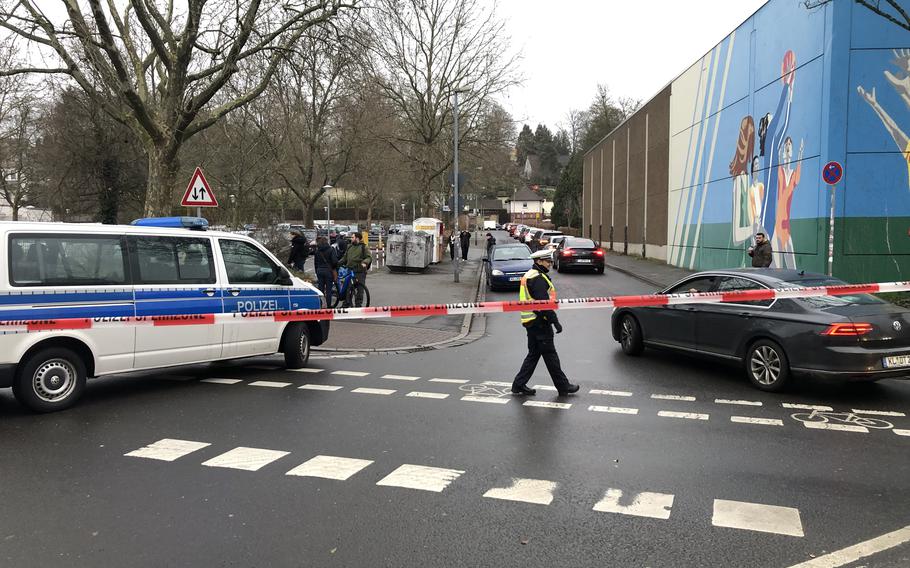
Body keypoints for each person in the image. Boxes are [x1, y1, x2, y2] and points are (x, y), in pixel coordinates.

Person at [511, 249, 579, 397]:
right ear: (539, 261)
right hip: (540, 322)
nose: (550, 264)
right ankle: (563, 386)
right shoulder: (538, 279)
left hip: (531, 322)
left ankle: (518, 384)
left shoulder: (530, 275)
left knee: (534, 354)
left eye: (550, 261)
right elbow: (543, 304)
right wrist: (555, 321)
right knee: (550, 355)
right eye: (548, 261)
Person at [339, 231, 372, 307]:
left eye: (352, 237)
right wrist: (338, 263)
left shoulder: (364, 247)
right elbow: (345, 257)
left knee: (360, 289)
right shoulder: (350, 247)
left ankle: (358, 305)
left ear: (357, 238)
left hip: (359, 271)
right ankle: (346, 303)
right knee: (348, 287)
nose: (351, 239)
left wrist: (365, 262)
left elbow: (368, 257)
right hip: (350, 270)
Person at [313, 236, 338, 307]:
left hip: (319, 271)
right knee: (328, 290)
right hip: (328, 272)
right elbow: (335, 261)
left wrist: (317, 271)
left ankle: (320, 305)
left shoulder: (318, 251)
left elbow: (315, 263)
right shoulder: (331, 249)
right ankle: (328, 306)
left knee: (320, 290)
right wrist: (333, 268)